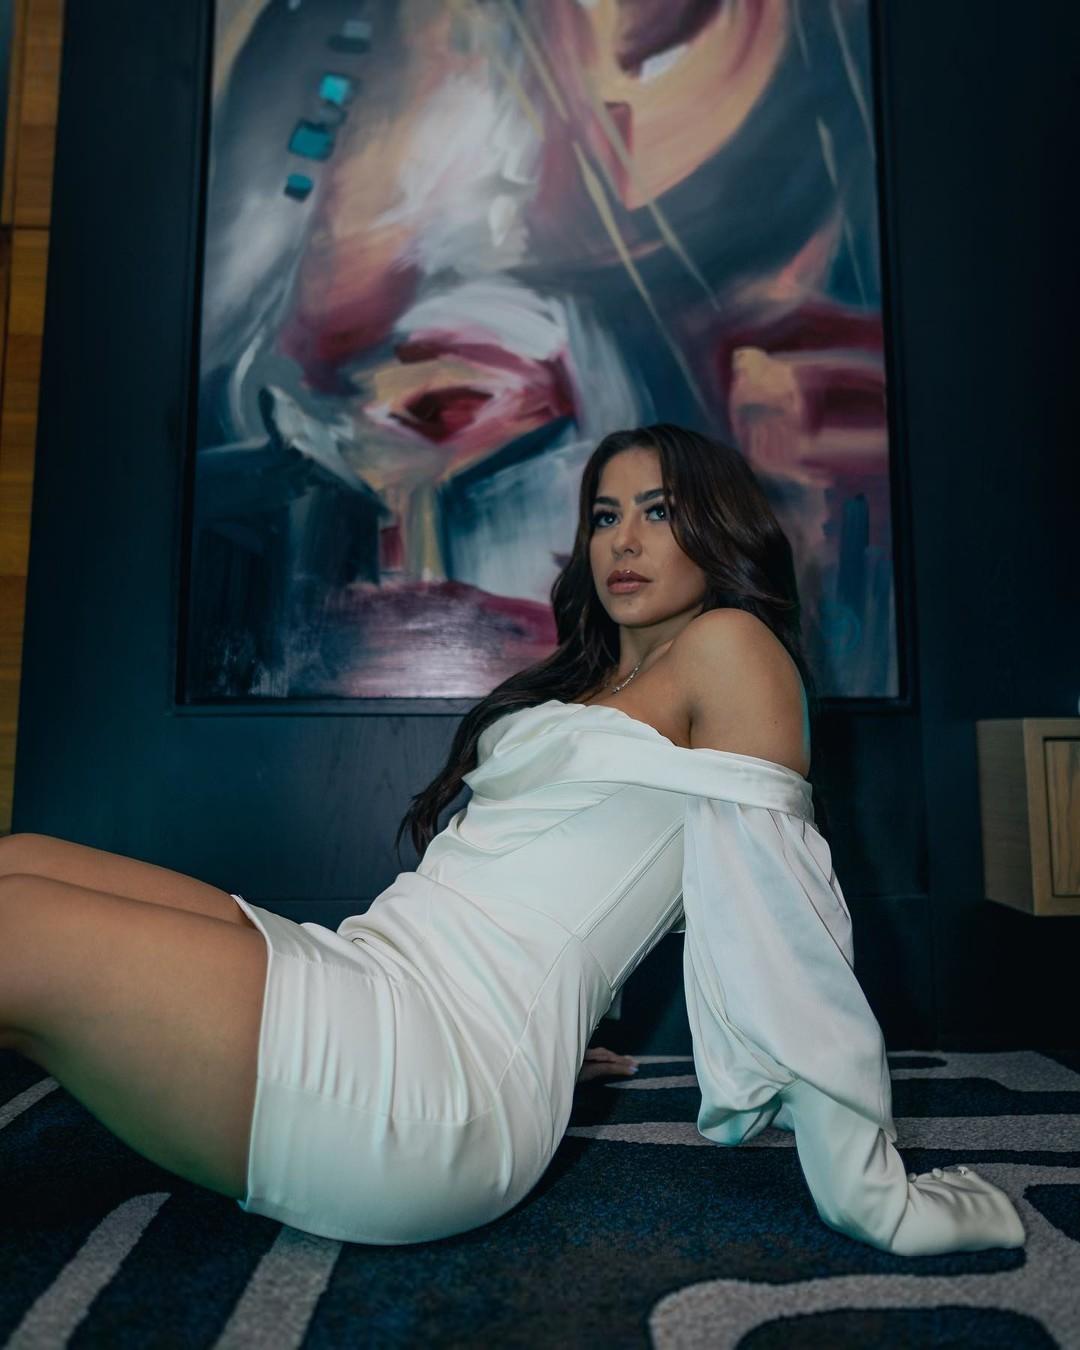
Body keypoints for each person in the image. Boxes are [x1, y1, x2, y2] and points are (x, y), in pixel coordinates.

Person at [0, 424, 1024, 1254]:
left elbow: (786, 920)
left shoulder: (731, 646)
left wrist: (869, 1192)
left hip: (436, 1072)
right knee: (19, 863)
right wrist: (560, 1026)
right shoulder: (590, 678)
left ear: (717, 527)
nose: (623, 541)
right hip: (378, 970)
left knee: (16, 932)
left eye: (659, 511)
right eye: (605, 515)